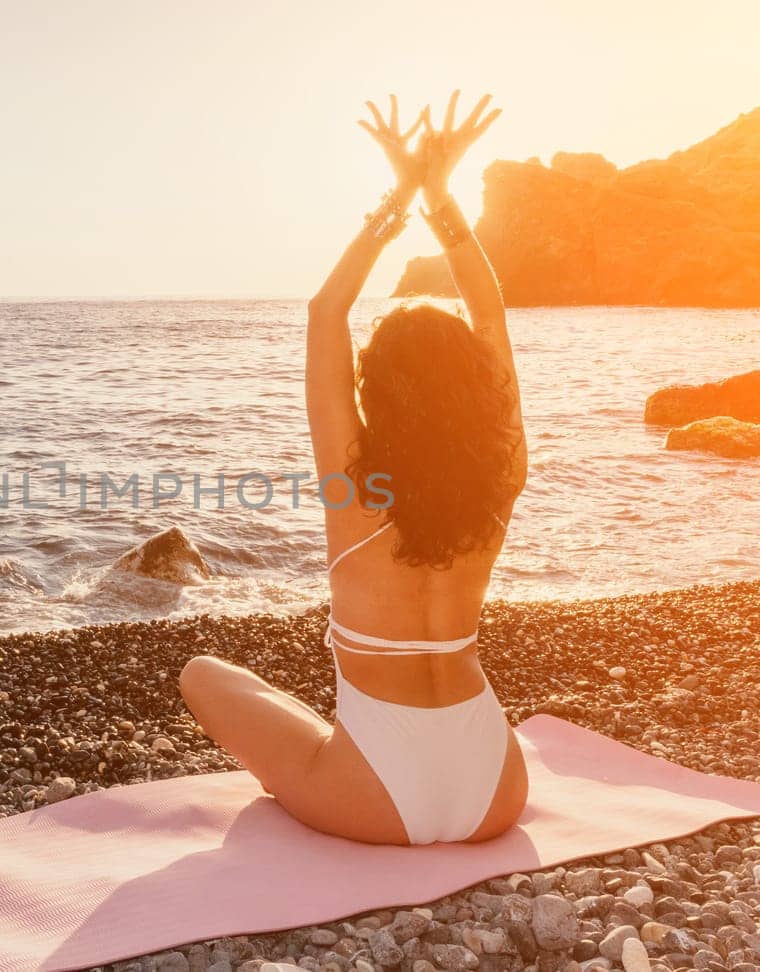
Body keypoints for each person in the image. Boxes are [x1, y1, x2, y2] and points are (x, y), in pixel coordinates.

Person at [179, 92, 530, 845]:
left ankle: (338, 750)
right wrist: (439, 195)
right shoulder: (500, 482)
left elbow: (325, 312)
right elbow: (491, 318)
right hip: (497, 788)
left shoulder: (355, 490)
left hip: (377, 799)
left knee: (202, 674)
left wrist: (396, 198)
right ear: (477, 391)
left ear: (378, 395)